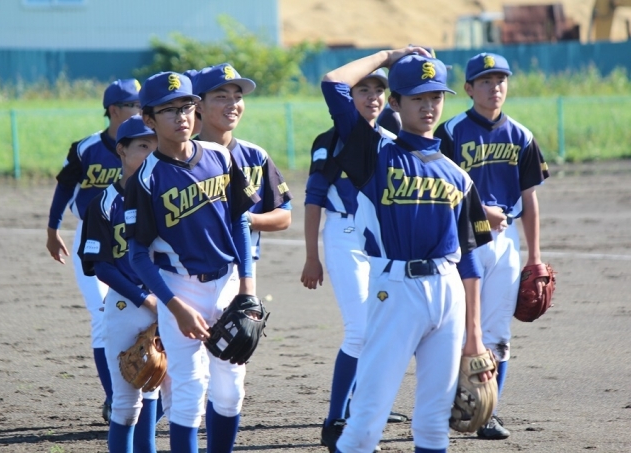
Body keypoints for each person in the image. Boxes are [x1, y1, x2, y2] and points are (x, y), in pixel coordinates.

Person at [321, 47, 494, 453]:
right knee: (366, 422)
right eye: (417, 97)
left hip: (448, 294)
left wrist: (475, 336)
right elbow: (333, 84)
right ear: (395, 103)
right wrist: (387, 56)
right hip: (396, 291)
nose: (428, 106)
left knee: (434, 424)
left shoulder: (458, 176)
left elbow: (470, 260)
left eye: (435, 96)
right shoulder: (373, 152)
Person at [124, 71, 259, 453]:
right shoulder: (146, 179)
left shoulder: (220, 156)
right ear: (148, 119)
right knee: (188, 393)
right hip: (179, 286)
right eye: (169, 110)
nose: (181, 116)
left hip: (227, 282)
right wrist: (175, 307)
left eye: (186, 106)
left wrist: (247, 288)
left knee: (230, 391)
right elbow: (138, 254)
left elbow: (240, 221)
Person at [434, 52, 550, 440]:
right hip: (460, 239)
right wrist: (481, 210)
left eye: (500, 80)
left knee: (497, 331)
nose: (494, 87)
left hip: (505, 243)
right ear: (469, 89)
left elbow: (529, 198)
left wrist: (535, 256)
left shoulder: (521, 136)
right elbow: (438, 188)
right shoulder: (451, 132)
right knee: (454, 326)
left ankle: (487, 412)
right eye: (485, 81)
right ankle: (442, 406)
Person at [300, 68, 404, 451]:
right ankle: (334, 420)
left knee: (380, 328)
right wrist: (311, 256)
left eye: (378, 90)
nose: (372, 96)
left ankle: (362, 406)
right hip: (343, 234)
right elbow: (314, 199)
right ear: (349, 96)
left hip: (381, 239)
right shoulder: (329, 140)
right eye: (363, 89)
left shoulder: (393, 141)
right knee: (359, 330)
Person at [45, 78, 142, 422]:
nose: (140, 110)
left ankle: (146, 393)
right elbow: (64, 186)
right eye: (134, 105)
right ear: (114, 110)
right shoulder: (87, 148)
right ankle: (115, 398)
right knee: (102, 315)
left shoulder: (148, 143)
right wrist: (52, 228)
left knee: (143, 312)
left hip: (139, 235)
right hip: (92, 237)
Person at [78, 115, 163, 452]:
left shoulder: (164, 197)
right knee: (126, 405)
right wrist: (146, 299)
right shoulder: (103, 204)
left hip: (167, 303)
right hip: (127, 305)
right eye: (143, 145)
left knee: (153, 390)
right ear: (122, 150)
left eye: (155, 145)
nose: (150, 152)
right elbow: (102, 267)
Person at [192, 63, 293, 272]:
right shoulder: (183, 157)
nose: (232, 104)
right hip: (190, 271)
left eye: (237, 97)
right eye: (222, 97)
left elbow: (284, 216)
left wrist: (247, 219)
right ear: (199, 106)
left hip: (244, 269)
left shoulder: (255, 156)